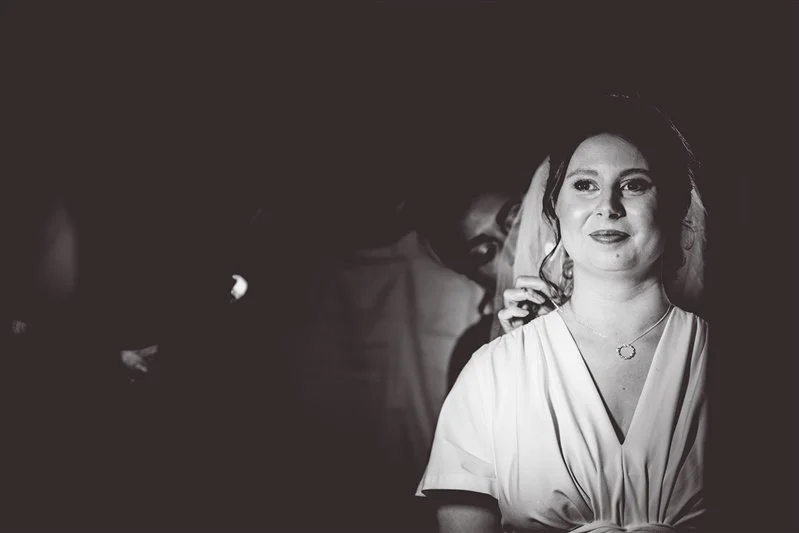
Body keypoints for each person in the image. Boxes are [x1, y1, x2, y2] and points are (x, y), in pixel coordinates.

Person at [416, 93, 709, 533]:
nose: (607, 207)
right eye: (585, 185)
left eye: (634, 184)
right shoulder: (490, 371)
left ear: (672, 208)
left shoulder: (728, 359)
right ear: (555, 211)